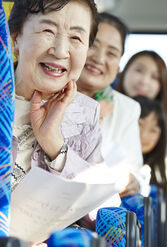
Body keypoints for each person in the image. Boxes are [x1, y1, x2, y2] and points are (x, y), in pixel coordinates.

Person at [9, 0, 101, 188]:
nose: (60, 52)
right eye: (47, 31)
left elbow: (98, 209)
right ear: (16, 38)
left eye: (76, 38)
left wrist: (54, 144)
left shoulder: (86, 115)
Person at [76, 12, 144, 198]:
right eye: (93, 45)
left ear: (118, 67)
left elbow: (134, 169)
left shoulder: (128, 109)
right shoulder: (50, 91)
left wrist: (132, 181)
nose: (99, 58)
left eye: (111, 53)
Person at [115, 50, 167, 142]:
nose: (144, 81)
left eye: (154, 77)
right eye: (139, 70)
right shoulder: (101, 107)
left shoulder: (166, 141)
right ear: (124, 72)